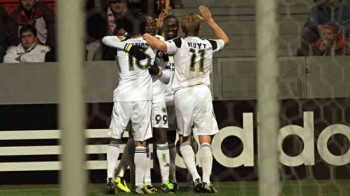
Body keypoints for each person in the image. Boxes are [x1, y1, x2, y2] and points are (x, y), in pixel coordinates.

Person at [143, 5, 229, 193]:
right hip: (202, 92)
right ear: (199, 28)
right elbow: (225, 40)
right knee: (205, 138)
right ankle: (206, 180)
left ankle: (196, 178)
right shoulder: (207, 43)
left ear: (182, 29)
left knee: (184, 138)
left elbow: (160, 46)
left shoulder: (179, 43)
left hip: (183, 94)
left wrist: (147, 34)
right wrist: (210, 20)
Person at [101, 9, 167, 194]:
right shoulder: (151, 43)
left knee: (115, 138)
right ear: (144, 28)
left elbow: (105, 39)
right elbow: (163, 45)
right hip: (142, 98)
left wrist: (127, 46)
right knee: (141, 142)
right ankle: (139, 184)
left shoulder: (122, 42)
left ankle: (109, 179)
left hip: (123, 96)